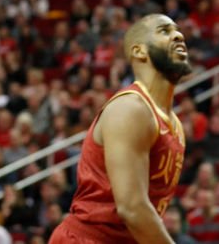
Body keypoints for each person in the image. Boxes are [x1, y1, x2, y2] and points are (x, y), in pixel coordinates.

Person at [50, 14, 192, 243]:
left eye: (177, 30)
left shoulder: (174, 124)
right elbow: (132, 208)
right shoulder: (131, 108)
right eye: (164, 31)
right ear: (139, 51)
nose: (179, 35)